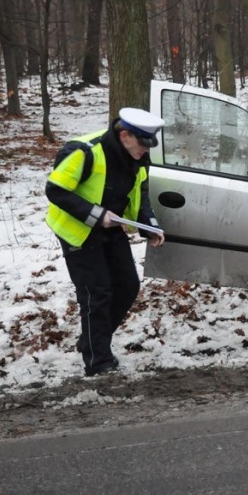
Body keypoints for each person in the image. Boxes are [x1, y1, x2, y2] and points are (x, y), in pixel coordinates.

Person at [46, 108, 166, 375]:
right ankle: (98, 362)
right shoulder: (86, 152)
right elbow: (54, 190)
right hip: (77, 230)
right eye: (142, 144)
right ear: (124, 136)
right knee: (96, 293)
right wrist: (97, 215)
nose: (146, 151)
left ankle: (92, 339)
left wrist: (150, 225)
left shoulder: (136, 158)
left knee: (127, 285)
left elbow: (140, 195)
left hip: (110, 229)